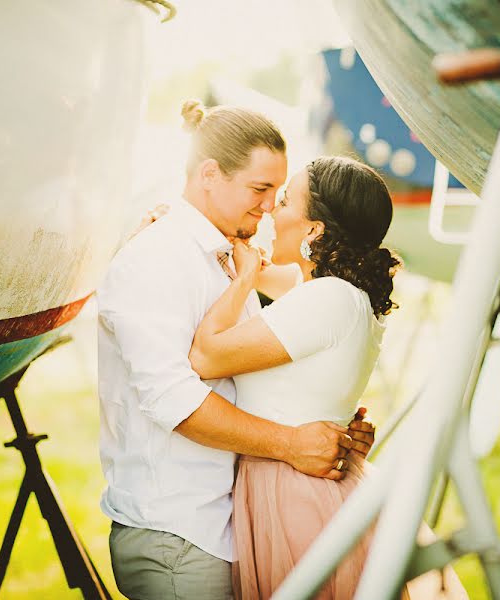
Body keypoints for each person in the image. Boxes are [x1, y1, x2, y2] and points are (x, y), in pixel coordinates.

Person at [96, 101, 375, 600]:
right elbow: (175, 401)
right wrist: (294, 443)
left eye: (278, 193)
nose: (270, 207)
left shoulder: (230, 258)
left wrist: (330, 423)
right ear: (210, 174)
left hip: (234, 526)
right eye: (260, 189)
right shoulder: (158, 259)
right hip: (183, 534)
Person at [189, 155, 466, 599]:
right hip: (307, 483)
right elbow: (273, 275)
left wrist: (242, 280)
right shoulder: (338, 294)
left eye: (283, 203)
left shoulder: (327, 299)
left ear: (314, 229)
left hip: (296, 495)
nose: (269, 212)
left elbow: (204, 356)